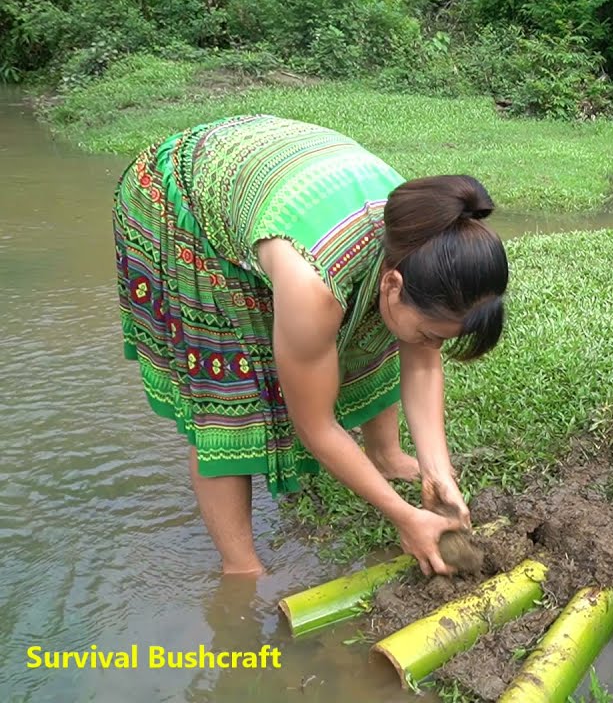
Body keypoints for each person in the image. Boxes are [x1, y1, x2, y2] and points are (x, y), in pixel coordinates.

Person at [114, 114, 507, 577]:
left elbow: (421, 360)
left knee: (388, 327)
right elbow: (315, 427)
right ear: (395, 283)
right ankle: (240, 566)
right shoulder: (312, 282)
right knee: (228, 390)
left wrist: (438, 473)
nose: (432, 345)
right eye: (435, 334)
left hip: (276, 180)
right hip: (184, 198)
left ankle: (384, 455)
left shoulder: (429, 236)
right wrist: (402, 517)